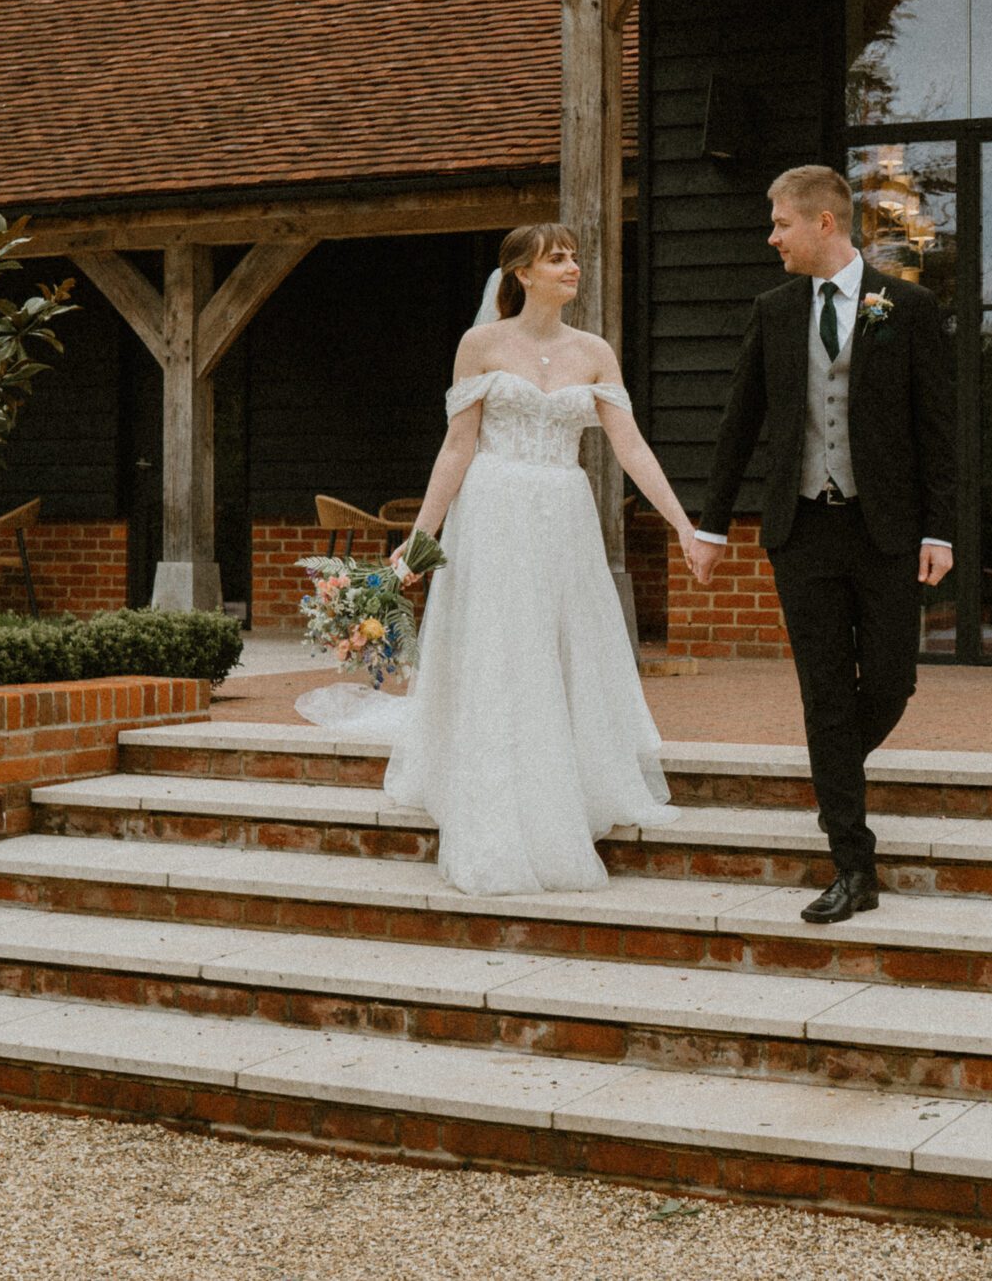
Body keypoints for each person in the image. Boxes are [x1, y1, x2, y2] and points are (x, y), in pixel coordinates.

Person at [298, 222, 700, 896]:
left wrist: (683, 525)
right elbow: (457, 447)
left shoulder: (595, 352)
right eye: (558, 257)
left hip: (564, 516)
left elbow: (631, 448)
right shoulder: (479, 345)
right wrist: (418, 543)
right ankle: (498, 801)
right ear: (521, 272)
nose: (573, 266)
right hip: (491, 511)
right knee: (501, 651)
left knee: (561, 648)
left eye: (574, 256)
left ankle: (565, 780)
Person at [688, 165, 955, 924]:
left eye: (780, 223)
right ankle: (852, 860)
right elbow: (739, 421)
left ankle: (832, 765)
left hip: (887, 534)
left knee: (893, 683)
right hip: (801, 530)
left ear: (824, 224)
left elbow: (939, 431)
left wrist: (939, 529)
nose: (771, 237)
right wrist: (711, 526)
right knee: (825, 694)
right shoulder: (773, 311)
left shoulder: (907, 305)